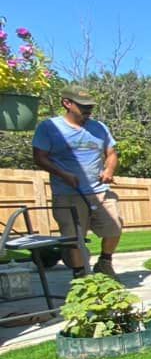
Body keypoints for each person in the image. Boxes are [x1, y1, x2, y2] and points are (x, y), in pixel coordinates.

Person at [32, 85, 122, 279]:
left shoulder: (99, 127)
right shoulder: (49, 128)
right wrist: (63, 174)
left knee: (114, 227)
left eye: (90, 106)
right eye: (83, 106)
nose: (88, 110)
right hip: (67, 193)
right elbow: (39, 157)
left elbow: (112, 153)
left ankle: (105, 262)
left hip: (99, 190)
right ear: (67, 103)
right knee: (73, 239)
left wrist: (109, 170)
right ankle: (80, 275)